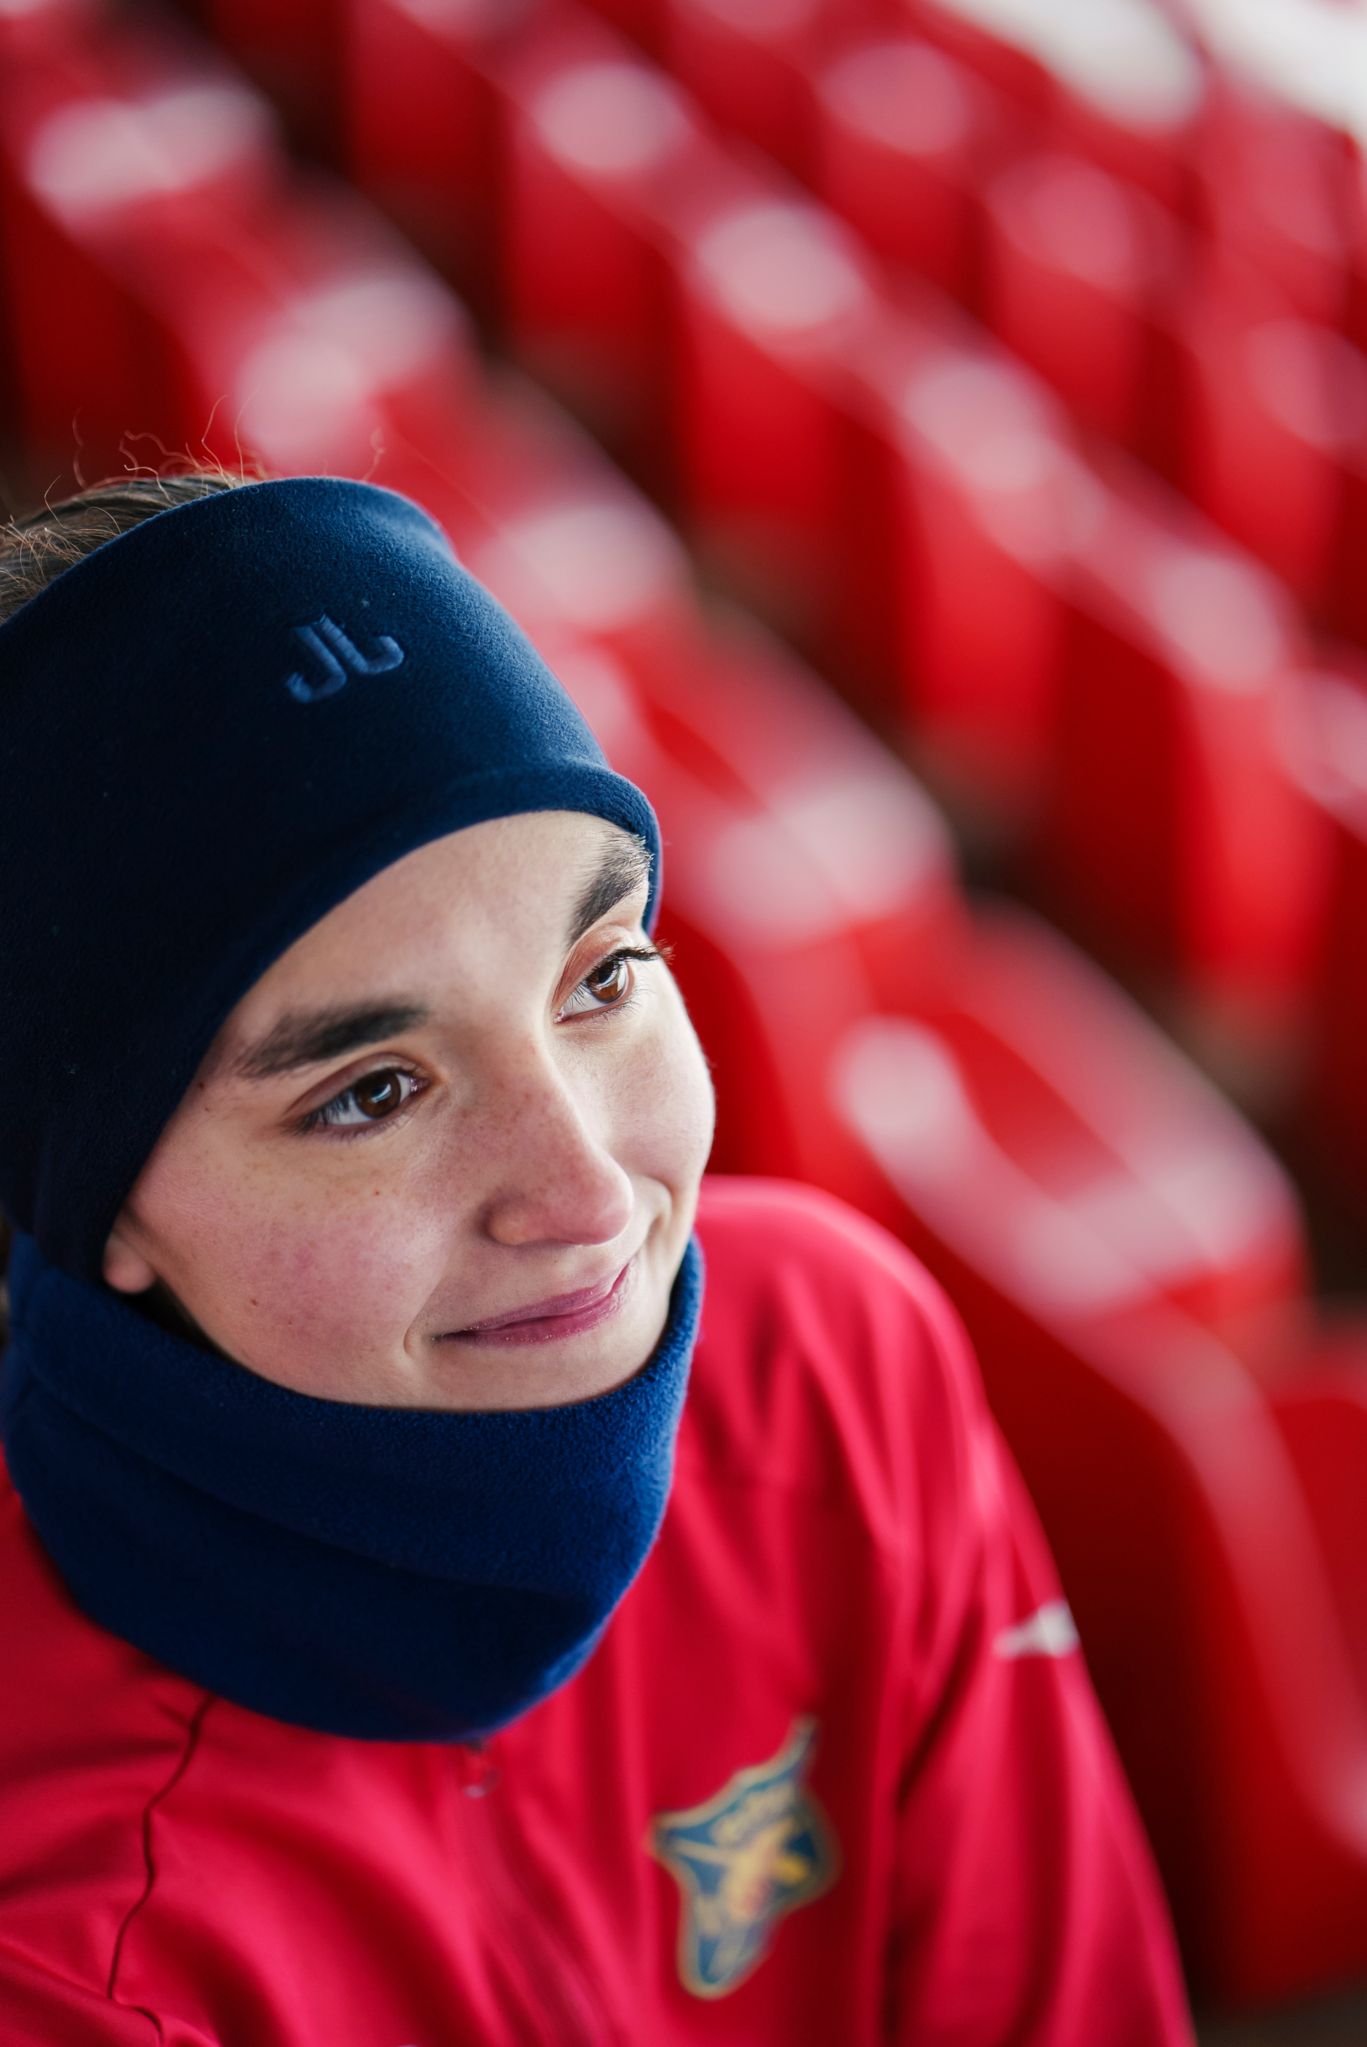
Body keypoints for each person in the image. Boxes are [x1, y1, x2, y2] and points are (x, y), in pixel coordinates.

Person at [0, 467, 1194, 2044]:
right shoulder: (63, 1957)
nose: (586, 1192)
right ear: (101, 1213)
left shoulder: (824, 1355)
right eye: (371, 1093)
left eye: (603, 972)